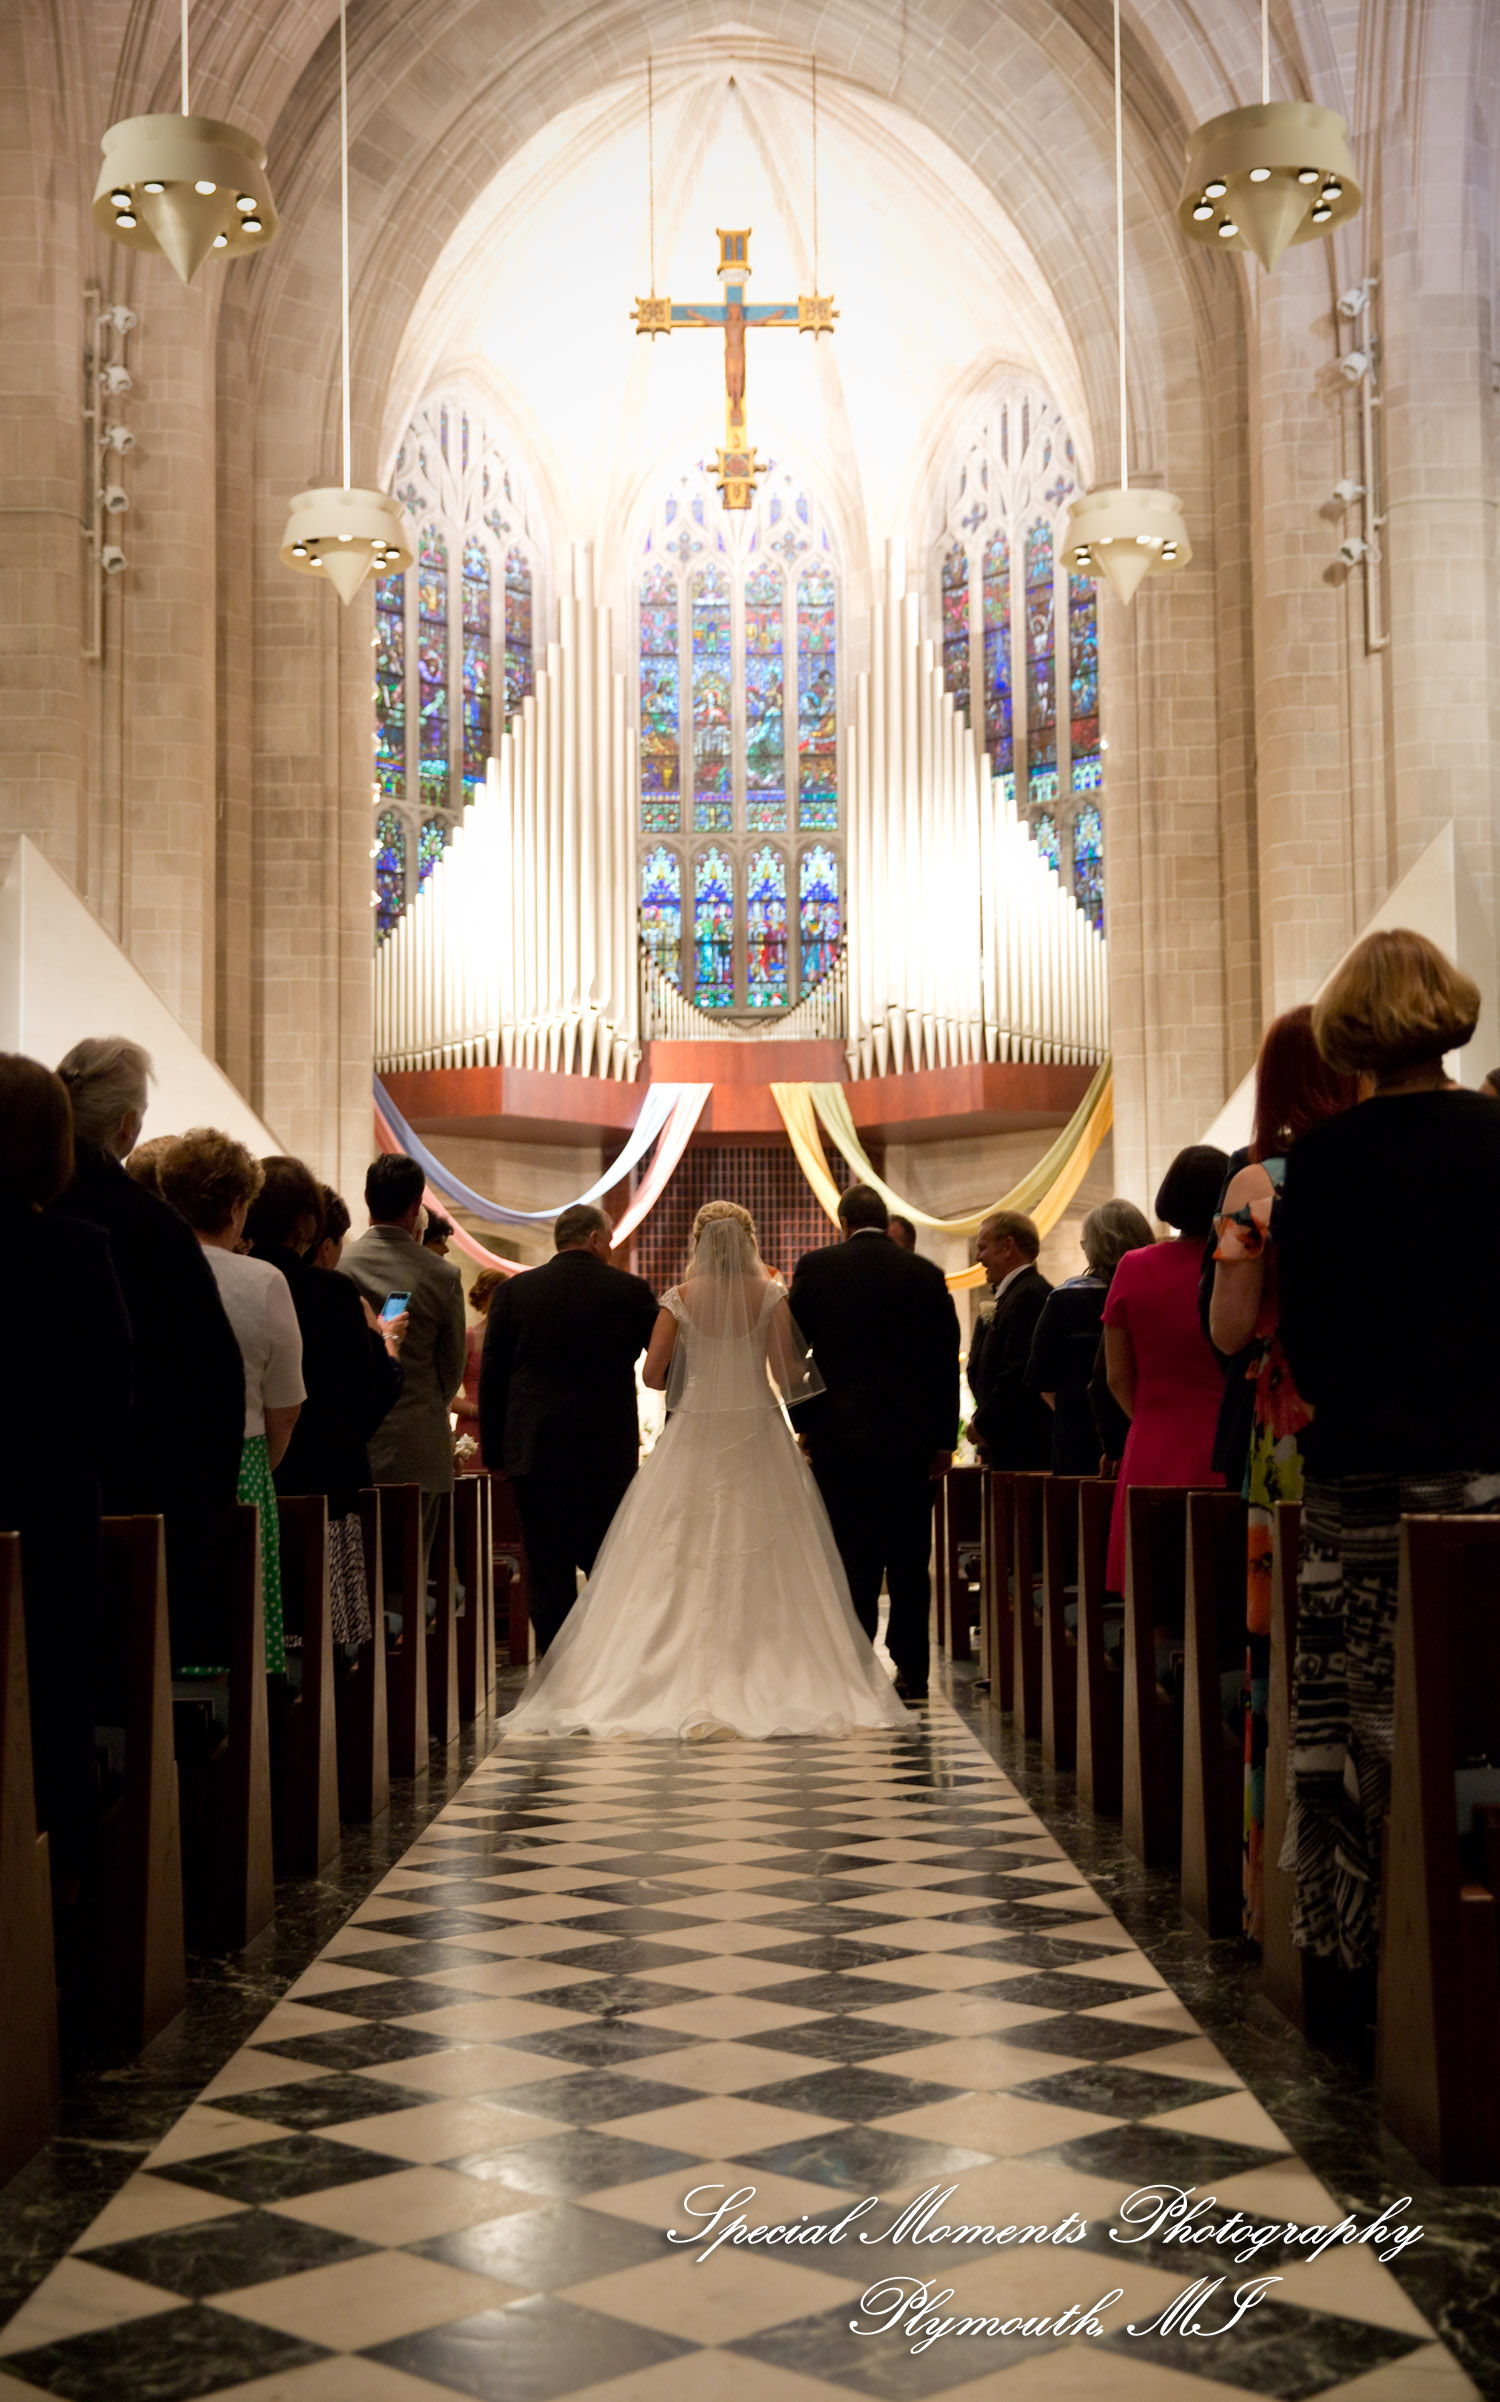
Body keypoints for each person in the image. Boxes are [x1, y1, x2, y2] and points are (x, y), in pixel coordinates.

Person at [1278, 929, 1500, 1977]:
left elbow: (1307, 1340)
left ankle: (1376, 1944)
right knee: (1478, 1689)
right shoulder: (1496, 1135)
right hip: (1485, 1461)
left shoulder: (1317, 1160)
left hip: (1359, 1466)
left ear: (1350, 1036)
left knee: (1368, 1704)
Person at [502, 1202, 910, 1739]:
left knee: (678, 1553)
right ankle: (779, 1668)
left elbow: (651, 1374)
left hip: (694, 1433)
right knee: (777, 1552)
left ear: (698, 1243)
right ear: (748, 1239)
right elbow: (791, 1376)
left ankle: (658, 1675)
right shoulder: (770, 1294)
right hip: (759, 1434)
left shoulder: (679, 1298)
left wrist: (695, 1375)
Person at [1208, 1009, 1362, 1943]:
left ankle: (1283, 1897)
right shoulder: (1382, 1169)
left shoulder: (1259, 1185)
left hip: (1291, 1431)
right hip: (1386, 1426)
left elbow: (1229, 1329)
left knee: (1288, 1664)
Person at [52, 1039, 245, 1668]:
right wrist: (207, 1498)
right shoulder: (151, 1226)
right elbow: (214, 1374)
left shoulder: (36, 1212)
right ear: (130, 1126)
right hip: (142, 1492)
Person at [0, 1056, 131, 1873]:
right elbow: (114, 1396)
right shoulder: (78, 1250)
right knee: (53, 1689)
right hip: (48, 1505)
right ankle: (63, 1880)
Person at [787, 1184, 960, 1701]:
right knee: (909, 1557)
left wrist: (807, 1421)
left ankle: (855, 1666)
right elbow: (943, 1364)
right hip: (909, 1441)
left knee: (850, 1554)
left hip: (839, 1439)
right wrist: (941, 1439)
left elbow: (793, 1352)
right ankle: (912, 1672)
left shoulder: (817, 1268)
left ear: (842, 1222)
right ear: (886, 1223)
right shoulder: (924, 1274)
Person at [480, 1204, 658, 1651]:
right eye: (611, 1239)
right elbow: (665, 1366)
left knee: (546, 1571)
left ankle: (555, 1673)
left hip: (536, 1452)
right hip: (605, 1454)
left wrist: (497, 1455)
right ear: (596, 1239)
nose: (612, 1247)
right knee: (609, 1566)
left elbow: (493, 1379)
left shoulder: (515, 1293)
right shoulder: (629, 1291)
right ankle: (605, 1671)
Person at [160, 1130, 305, 1675]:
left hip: (148, 1465)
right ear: (240, 1207)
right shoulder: (263, 1279)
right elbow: (285, 1406)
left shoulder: (142, 1266)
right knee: (234, 1635)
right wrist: (258, 1465)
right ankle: (241, 1741)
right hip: (239, 1463)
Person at [246, 1156, 404, 1648]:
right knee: (324, 1636)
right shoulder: (331, 1293)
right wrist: (385, 1345)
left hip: (247, 1482)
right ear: (307, 1224)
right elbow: (371, 1393)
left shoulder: (229, 1280)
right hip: (325, 1483)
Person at [1101, 1145, 1229, 1593]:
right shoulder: (1237, 1266)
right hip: (1228, 1438)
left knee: (1155, 1591)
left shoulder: (1134, 1266)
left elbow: (1116, 1375)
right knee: (1226, 1583)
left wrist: (1149, 1418)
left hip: (1155, 1440)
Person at [339, 1153, 466, 1572]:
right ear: (416, 1208)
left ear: (366, 1199)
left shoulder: (340, 1267)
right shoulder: (441, 1275)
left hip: (353, 1439)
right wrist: (430, 1400)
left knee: (355, 1574)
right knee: (409, 1578)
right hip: (418, 1443)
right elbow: (451, 1367)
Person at [1026, 1199, 1155, 1473]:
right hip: (1149, 1422)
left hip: (1078, 1435)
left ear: (1095, 1247)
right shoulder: (1155, 1291)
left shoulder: (1065, 1300)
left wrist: (1075, 1414)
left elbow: (1041, 1378)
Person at [966, 1210, 1053, 1468]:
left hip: (1023, 1445)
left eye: (982, 1248)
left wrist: (984, 1422)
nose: (978, 1257)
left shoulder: (1030, 1296)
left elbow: (1019, 1372)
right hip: (1007, 1440)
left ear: (1007, 1247)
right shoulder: (1016, 1294)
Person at [455, 1266, 507, 1470]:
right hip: (473, 1426)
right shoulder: (470, 1337)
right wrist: (478, 1410)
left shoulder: (515, 1336)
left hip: (507, 1425)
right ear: (486, 1298)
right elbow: (447, 1392)